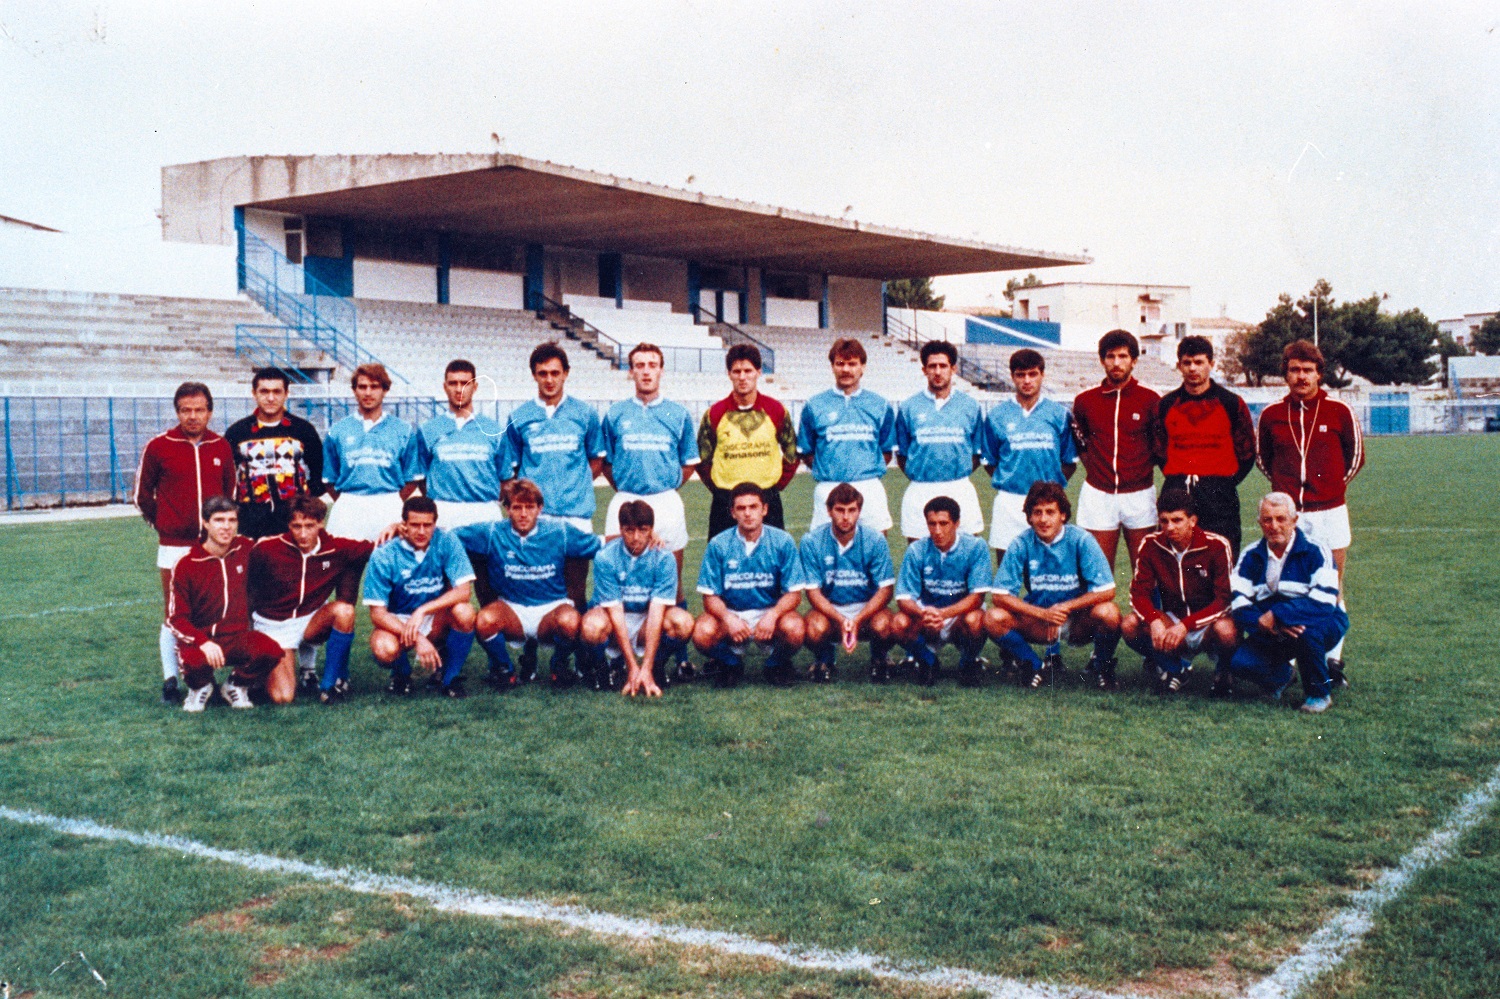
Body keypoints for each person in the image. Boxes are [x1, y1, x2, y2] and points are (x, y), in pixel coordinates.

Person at [1255, 339, 1364, 686]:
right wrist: (1286, 499)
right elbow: (1263, 458)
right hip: (1289, 518)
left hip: (1330, 511)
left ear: (1319, 373)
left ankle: (1332, 662)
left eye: (1307, 370)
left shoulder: (1339, 411)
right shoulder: (1272, 414)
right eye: (1294, 370)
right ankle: (1287, 660)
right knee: (1287, 587)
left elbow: (1356, 457)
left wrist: (1330, 489)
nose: (1301, 376)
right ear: (1285, 375)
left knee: (1332, 587)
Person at [134, 381, 236, 704]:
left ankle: (216, 676)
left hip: (214, 545)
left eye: (199, 410)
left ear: (210, 411)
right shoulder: (159, 446)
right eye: (186, 410)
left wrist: (218, 531)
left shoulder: (221, 445)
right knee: (174, 613)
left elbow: (231, 493)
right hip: (174, 545)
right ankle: (170, 679)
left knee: (219, 607)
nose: (193, 416)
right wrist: (165, 524)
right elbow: (142, 496)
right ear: (177, 411)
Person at [458, 478, 602, 690]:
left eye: (530, 507)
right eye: (517, 507)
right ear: (507, 508)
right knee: (484, 620)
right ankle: (505, 668)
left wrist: (645, 537)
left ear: (540, 508)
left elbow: (602, 544)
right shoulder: (491, 532)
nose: (523, 513)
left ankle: (559, 663)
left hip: (551, 608)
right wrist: (400, 527)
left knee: (570, 622)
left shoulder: (560, 531)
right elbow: (446, 537)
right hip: (512, 609)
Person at [986, 482, 1121, 690]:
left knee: (1109, 613)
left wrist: (1065, 608)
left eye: (1050, 512)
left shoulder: (1081, 540)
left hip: (1078, 620)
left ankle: (1102, 666)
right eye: (1037, 512)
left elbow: (1107, 590)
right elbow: (1000, 596)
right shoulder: (1021, 543)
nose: (1043, 519)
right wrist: (1042, 614)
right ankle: (1032, 664)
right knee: (992, 618)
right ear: (1029, 517)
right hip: (1040, 621)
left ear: (1063, 515)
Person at [1224, 493, 1348, 714]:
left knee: (1307, 633)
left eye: (1281, 519)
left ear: (1294, 520)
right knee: (1241, 663)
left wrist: (1280, 614)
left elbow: (1324, 602)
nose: (1274, 526)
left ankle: (1318, 694)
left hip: (1322, 621)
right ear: (1259, 522)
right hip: (1272, 626)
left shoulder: (1316, 551)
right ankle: (1283, 676)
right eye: (1267, 519)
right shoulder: (1250, 555)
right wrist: (1266, 622)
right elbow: (1238, 602)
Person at [248, 494, 375, 705]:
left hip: (311, 621)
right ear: (288, 525)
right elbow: (246, 585)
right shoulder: (267, 549)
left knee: (344, 611)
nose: (303, 533)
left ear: (321, 523)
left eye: (310, 525)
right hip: (274, 626)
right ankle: (263, 669)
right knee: (283, 697)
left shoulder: (336, 548)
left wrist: (397, 528)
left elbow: (378, 548)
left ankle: (330, 684)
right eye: (296, 526)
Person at [168, 496, 282, 712]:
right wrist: (203, 642)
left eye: (232, 520)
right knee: (194, 663)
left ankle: (235, 685)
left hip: (236, 636)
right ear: (205, 523)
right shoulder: (187, 564)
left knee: (271, 651)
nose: (226, 527)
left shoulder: (246, 548)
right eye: (219, 520)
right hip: (201, 641)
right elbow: (176, 619)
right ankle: (201, 687)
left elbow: (281, 545)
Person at [1120, 487, 1237, 694]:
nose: (1170, 527)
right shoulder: (1151, 544)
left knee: (1226, 631)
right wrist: (1154, 619)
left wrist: (1186, 625)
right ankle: (1175, 669)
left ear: (1192, 520)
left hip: (1207, 624)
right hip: (1173, 620)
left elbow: (1224, 600)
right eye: (1164, 521)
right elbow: (1139, 593)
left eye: (1177, 520)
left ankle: (1223, 671)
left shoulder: (1217, 545)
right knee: (1130, 625)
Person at [692, 482, 810, 688]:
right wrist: (729, 619)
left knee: (796, 628)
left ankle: (776, 664)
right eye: (741, 508)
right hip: (733, 613)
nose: (747, 513)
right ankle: (730, 663)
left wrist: (772, 615)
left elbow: (794, 593)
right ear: (732, 512)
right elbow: (709, 596)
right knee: (702, 632)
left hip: (769, 612)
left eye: (753, 507)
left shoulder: (782, 541)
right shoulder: (718, 544)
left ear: (764, 509)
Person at [601, 341, 699, 586]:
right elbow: (607, 463)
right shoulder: (616, 413)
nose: (646, 371)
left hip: (666, 501)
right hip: (625, 499)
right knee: (620, 577)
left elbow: (688, 463)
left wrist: (666, 485)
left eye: (652, 365)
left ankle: (676, 619)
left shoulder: (678, 413)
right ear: (631, 371)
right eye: (640, 365)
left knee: (671, 578)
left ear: (661, 370)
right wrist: (626, 487)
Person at [361, 496, 478, 698]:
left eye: (427, 525)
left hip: (433, 615)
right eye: (415, 525)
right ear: (403, 525)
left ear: (435, 523)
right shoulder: (384, 553)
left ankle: (449, 677)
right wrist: (418, 638)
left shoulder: (446, 540)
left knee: (465, 612)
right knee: (383, 648)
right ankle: (402, 675)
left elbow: (463, 591)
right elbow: (378, 614)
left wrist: (422, 610)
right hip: (399, 620)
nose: (422, 531)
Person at [1152, 336, 1256, 555]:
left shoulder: (1231, 403)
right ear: (1179, 365)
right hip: (1177, 491)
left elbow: (1247, 452)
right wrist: (1179, 477)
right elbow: (1160, 451)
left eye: (1199, 362)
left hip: (1220, 495)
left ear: (1211, 364)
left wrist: (1223, 481)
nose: (1193, 368)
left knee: (1222, 560)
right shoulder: (1166, 405)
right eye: (1187, 363)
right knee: (1175, 563)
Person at [579, 500, 695, 696]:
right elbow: (615, 612)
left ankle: (656, 666)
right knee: (591, 627)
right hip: (614, 619)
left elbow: (657, 612)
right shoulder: (606, 557)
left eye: (643, 530)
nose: (636, 537)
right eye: (629, 530)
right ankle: (603, 668)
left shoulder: (664, 558)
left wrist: (645, 667)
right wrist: (633, 666)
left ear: (651, 530)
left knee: (683, 622)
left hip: (645, 620)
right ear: (620, 529)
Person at [1071, 330, 1162, 573]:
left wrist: (1136, 470)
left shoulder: (1151, 400)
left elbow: (1158, 447)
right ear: (1102, 360)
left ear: (1134, 360)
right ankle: (1102, 613)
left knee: (1146, 571)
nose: (1116, 363)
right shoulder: (1085, 401)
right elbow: (1082, 444)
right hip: (1098, 495)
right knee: (1097, 573)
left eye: (1123, 356)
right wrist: (1099, 471)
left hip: (1140, 494)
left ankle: (1145, 613)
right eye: (1110, 356)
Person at [981, 348, 1077, 562]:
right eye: (1020, 374)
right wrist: (1011, 479)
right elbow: (990, 462)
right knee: (1007, 565)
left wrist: (1049, 489)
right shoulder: (997, 415)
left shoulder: (1059, 414)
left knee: (1050, 567)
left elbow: (1069, 462)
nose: (1027, 380)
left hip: (1047, 504)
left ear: (1042, 375)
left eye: (1032, 374)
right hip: (1009, 500)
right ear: (1012, 376)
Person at [697, 344, 799, 539]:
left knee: (772, 561)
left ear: (759, 372)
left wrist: (777, 483)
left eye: (748, 371)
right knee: (723, 561)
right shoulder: (715, 414)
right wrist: (719, 486)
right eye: (737, 371)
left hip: (767, 498)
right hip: (726, 501)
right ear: (729, 374)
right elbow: (702, 458)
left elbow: (792, 450)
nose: (742, 377)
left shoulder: (776, 410)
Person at [796, 337, 897, 533]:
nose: (846, 369)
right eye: (840, 363)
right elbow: (807, 451)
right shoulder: (814, 405)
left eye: (852, 364)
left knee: (874, 549)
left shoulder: (880, 405)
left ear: (863, 367)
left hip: (868, 488)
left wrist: (862, 470)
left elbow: (886, 451)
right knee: (825, 550)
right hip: (828, 487)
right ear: (832, 366)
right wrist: (830, 469)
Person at [800, 483, 897, 683]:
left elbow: (885, 589)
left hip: (867, 609)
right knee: (812, 627)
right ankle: (825, 660)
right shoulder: (812, 541)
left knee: (886, 624)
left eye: (852, 510)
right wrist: (839, 619)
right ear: (828, 511)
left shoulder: (875, 540)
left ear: (859, 511)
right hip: (830, 608)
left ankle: (879, 659)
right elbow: (813, 592)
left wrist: (859, 619)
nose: (846, 517)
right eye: (840, 510)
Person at [890, 495, 991, 687]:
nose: (937, 531)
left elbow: (977, 597)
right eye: (932, 524)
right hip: (927, 615)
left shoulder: (976, 547)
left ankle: (968, 663)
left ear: (957, 523)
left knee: (976, 620)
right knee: (898, 623)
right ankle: (928, 662)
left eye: (944, 523)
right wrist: (923, 614)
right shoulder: (916, 550)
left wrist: (944, 614)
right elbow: (904, 598)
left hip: (959, 614)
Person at [893, 341, 986, 544]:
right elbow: (902, 455)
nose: (937, 371)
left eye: (943, 366)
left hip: (959, 487)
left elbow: (976, 453)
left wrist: (955, 474)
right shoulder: (909, 407)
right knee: (919, 555)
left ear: (953, 368)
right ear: (924, 369)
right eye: (932, 366)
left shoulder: (970, 406)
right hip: (921, 489)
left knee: (967, 550)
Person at [323, 363, 421, 542]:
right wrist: (347, 500)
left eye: (374, 387)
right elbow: (329, 478)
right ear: (354, 390)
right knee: (343, 565)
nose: (368, 393)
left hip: (388, 502)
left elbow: (412, 477)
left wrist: (392, 499)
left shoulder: (403, 430)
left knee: (391, 563)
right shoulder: (337, 430)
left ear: (385, 390)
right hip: (349, 505)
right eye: (362, 387)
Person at [225, 367, 324, 539]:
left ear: (286, 394)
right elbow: (226, 477)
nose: (271, 398)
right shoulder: (238, 432)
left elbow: (319, 471)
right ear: (254, 393)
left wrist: (303, 502)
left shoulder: (302, 430)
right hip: (251, 522)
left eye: (277, 392)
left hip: (293, 521)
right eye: (264, 391)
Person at [416, 359, 508, 531]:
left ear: (475, 387)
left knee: (484, 559)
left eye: (465, 383)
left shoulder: (494, 430)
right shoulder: (427, 430)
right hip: (444, 511)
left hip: (484, 511)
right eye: (453, 383)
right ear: (445, 387)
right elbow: (422, 479)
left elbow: (505, 479)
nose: (459, 389)